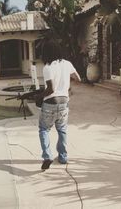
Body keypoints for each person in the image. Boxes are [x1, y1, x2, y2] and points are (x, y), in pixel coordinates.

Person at [36, 39, 81, 170]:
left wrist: (38, 96)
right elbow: (77, 78)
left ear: (46, 53)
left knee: (44, 129)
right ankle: (63, 156)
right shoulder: (67, 64)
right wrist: (67, 88)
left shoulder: (48, 67)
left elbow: (50, 89)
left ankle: (47, 156)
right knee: (62, 130)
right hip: (64, 103)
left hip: (50, 103)